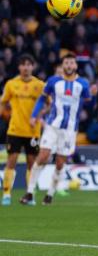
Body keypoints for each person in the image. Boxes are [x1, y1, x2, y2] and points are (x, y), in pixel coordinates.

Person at [21, 54, 97, 206]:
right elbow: (42, 98)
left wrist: (94, 96)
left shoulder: (82, 83)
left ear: (75, 66)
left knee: (60, 163)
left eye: (71, 63)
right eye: (66, 63)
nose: (69, 65)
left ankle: (50, 194)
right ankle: (30, 192)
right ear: (62, 66)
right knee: (43, 156)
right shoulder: (53, 81)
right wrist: (34, 115)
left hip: (70, 130)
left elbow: (89, 105)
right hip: (52, 126)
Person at [1, 55, 44, 205]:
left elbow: (49, 104)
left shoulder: (40, 85)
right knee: (11, 161)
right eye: (23, 65)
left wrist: (41, 115)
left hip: (33, 131)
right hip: (15, 130)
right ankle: (6, 194)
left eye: (28, 65)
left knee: (31, 164)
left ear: (33, 67)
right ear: (19, 67)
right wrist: (5, 115)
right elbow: (3, 102)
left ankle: (29, 194)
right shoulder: (11, 84)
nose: (26, 68)